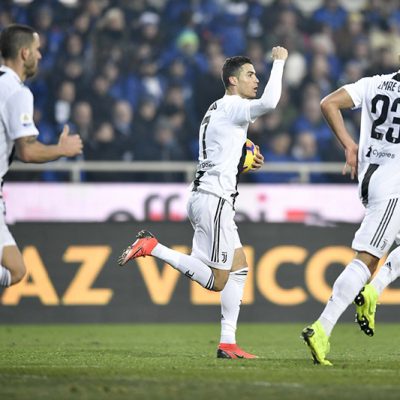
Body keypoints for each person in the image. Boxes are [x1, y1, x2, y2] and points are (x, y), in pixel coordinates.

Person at [118, 47, 288, 358]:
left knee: (239, 267)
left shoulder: (216, 108)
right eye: (250, 75)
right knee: (217, 281)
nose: (257, 79)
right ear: (233, 80)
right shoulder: (235, 105)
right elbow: (270, 102)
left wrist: (244, 155)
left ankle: (228, 343)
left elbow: (222, 147)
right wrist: (279, 62)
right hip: (214, 199)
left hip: (205, 196)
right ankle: (153, 247)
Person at [302, 61, 400, 366]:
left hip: (370, 177)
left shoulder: (373, 83)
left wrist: (349, 145)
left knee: (372, 260)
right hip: (392, 185)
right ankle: (321, 328)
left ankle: (374, 290)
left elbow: (328, 103)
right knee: (367, 259)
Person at [0, 24, 83, 288]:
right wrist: (61, 150)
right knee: (14, 271)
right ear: (24, 53)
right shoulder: (16, 91)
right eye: (37, 49)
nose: (40, 55)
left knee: (15, 269)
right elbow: (27, 150)